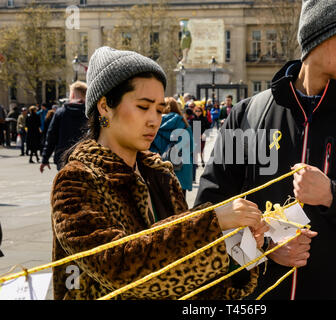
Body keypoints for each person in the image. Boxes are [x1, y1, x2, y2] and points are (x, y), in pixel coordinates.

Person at [196, 0, 336, 300]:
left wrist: (334, 195)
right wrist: (264, 249)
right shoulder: (247, 115)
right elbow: (205, 216)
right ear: (315, 37)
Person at [51, 46, 273, 300]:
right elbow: (119, 268)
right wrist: (210, 221)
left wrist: (240, 253)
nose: (154, 120)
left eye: (158, 109)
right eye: (143, 107)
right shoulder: (76, 180)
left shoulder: (161, 175)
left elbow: (184, 274)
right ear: (104, 106)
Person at [40, 81, 88, 173]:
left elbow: (51, 136)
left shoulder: (60, 113)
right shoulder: (91, 113)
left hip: (63, 157)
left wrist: (45, 158)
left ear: (72, 94)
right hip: (85, 157)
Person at [150, 97, 194, 196]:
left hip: (161, 170)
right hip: (182, 170)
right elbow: (190, 148)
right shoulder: (184, 124)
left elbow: (149, 148)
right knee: (181, 207)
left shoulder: (154, 123)